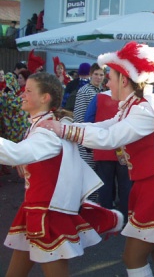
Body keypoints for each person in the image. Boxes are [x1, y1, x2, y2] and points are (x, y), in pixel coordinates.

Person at [39, 41, 154, 277]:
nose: (106, 81)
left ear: (124, 79)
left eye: (110, 76)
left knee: (132, 257)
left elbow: (110, 137)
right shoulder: (137, 104)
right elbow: (105, 126)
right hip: (153, 183)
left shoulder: (144, 108)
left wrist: (64, 131)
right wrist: (65, 126)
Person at [1, 72, 123, 277]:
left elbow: (16, 154)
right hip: (35, 209)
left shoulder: (47, 133)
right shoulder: (44, 126)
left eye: (28, 91)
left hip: (47, 213)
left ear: (45, 97)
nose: (22, 94)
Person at [85, 90, 132, 221]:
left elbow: (89, 119)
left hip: (103, 147)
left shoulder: (98, 98)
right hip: (124, 147)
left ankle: (106, 217)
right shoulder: (129, 99)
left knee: (104, 184)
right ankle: (125, 217)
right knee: (125, 184)